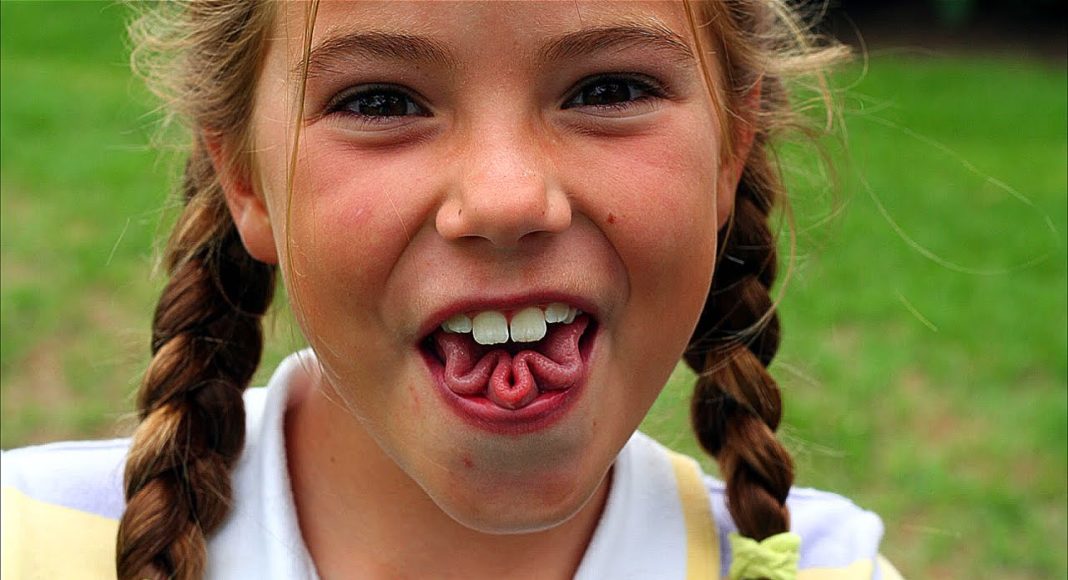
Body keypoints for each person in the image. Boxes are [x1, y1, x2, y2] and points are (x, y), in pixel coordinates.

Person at [1, 1, 904, 578]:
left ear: (731, 147)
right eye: (381, 102)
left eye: (609, 88)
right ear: (245, 176)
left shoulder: (833, 570)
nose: (506, 200)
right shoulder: (31, 541)